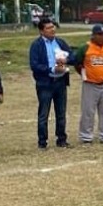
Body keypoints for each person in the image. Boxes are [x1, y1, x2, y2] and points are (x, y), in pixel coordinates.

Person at [28, 17, 74, 149]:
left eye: (53, 27)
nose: (52, 29)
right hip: (45, 83)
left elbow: (72, 56)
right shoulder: (36, 45)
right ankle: (42, 142)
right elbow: (34, 65)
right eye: (48, 28)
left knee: (61, 112)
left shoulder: (60, 42)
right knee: (44, 113)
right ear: (41, 31)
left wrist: (66, 61)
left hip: (60, 82)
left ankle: (62, 139)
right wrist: (51, 69)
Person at [72, 24, 103, 144]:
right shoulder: (85, 48)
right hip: (90, 84)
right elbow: (77, 62)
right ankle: (86, 137)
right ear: (93, 35)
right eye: (99, 34)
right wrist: (84, 74)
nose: (102, 37)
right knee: (88, 111)